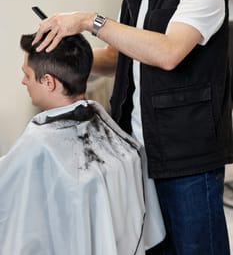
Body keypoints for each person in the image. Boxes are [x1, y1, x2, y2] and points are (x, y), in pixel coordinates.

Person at [33, 0, 233, 254]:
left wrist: (90, 21)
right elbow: (123, 57)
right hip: (139, 153)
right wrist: (64, 57)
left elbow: (169, 52)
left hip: (188, 159)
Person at [0, 32, 165, 255]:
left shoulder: (38, 143)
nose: (23, 81)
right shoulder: (118, 137)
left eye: (27, 74)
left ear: (48, 82)